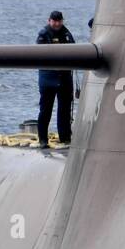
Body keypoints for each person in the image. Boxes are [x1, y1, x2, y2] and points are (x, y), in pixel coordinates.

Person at [36, 10, 75, 149]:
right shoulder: (43, 34)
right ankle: (43, 140)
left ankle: (65, 138)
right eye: (54, 21)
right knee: (45, 110)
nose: (57, 23)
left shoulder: (66, 34)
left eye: (59, 21)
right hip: (48, 79)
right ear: (49, 21)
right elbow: (41, 55)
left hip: (64, 79)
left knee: (64, 110)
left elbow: (74, 51)